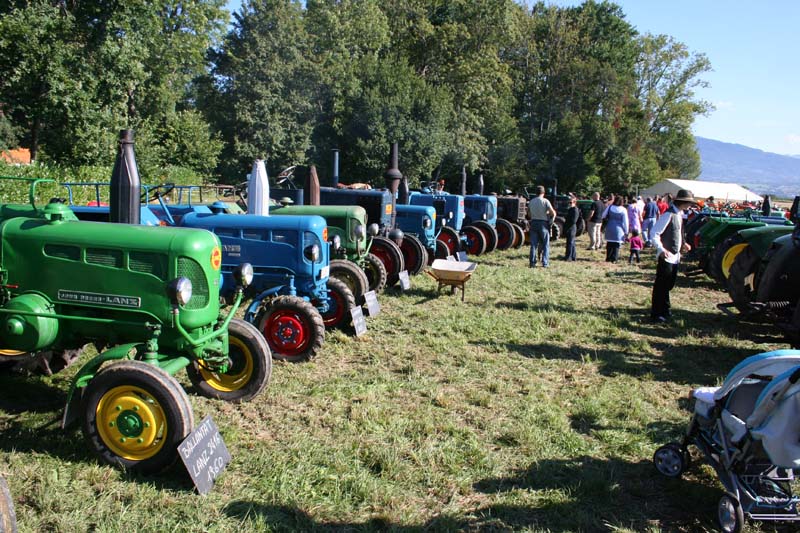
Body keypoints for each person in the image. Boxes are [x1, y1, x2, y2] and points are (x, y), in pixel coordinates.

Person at [650, 189, 698, 323]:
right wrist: (661, 249)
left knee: (668, 285)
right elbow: (654, 233)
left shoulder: (680, 214)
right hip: (667, 256)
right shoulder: (669, 214)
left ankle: (665, 310)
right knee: (662, 286)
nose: (690, 205)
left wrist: (684, 243)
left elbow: (678, 232)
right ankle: (657, 313)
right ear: (682, 202)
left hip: (675, 256)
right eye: (688, 203)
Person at [527, 185, 557, 268]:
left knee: (533, 244)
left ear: (536, 193)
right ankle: (545, 262)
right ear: (543, 193)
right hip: (543, 223)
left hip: (533, 222)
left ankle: (532, 262)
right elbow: (553, 213)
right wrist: (550, 219)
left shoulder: (531, 201)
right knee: (545, 244)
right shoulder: (545, 201)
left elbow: (529, 214)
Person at [603, 195, 628, 263]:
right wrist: (626, 231)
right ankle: (614, 258)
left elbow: (603, 215)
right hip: (619, 228)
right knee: (616, 244)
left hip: (610, 226)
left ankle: (608, 257)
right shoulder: (623, 209)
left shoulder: (610, 207)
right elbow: (625, 222)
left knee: (609, 243)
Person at [562, 194, 580, 261]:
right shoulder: (571, 209)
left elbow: (573, 220)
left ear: (575, 202)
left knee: (570, 243)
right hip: (570, 227)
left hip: (571, 227)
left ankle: (568, 257)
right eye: (569, 202)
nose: (569, 204)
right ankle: (572, 256)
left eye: (571, 202)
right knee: (571, 242)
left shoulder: (575, 210)